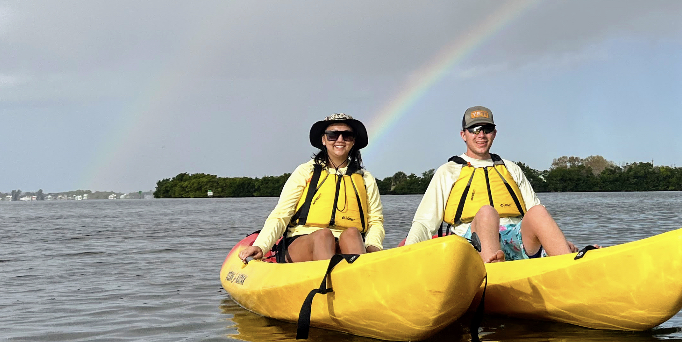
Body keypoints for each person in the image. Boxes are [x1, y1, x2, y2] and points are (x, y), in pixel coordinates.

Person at [405, 106, 576, 263]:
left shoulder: (511, 169)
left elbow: (537, 215)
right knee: (487, 212)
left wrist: (560, 242)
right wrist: (407, 254)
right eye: (474, 129)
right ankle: (493, 271)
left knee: (538, 211)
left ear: (494, 133)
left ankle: (570, 267)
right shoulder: (448, 171)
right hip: (471, 242)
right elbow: (424, 223)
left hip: (515, 238)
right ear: (463, 135)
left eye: (487, 129)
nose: (481, 135)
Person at [237, 113, 384, 263]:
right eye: (333, 135)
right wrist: (261, 245)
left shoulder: (366, 178)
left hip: (347, 243)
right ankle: (326, 283)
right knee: (323, 236)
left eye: (347, 135)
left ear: (353, 141)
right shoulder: (305, 171)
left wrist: (373, 246)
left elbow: (375, 221)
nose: (340, 139)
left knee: (352, 233)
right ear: (324, 139)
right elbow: (281, 214)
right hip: (303, 240)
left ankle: (359, 278)